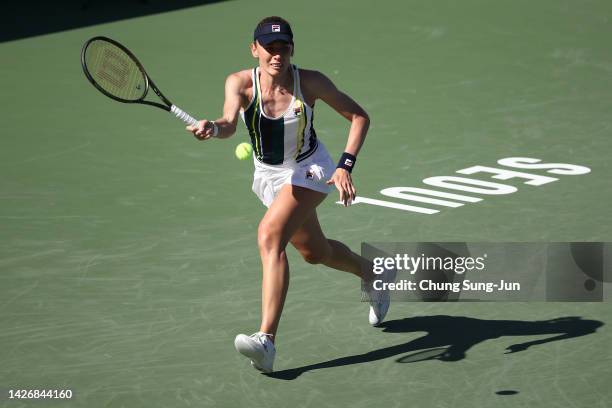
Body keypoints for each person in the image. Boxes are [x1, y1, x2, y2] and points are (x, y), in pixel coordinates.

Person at [186, 16, 392, 373]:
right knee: (316, 252)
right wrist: (212, 127)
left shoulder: (310, 82)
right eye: (269, 48)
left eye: (284, 48)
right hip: (269, 175)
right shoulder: (239, 83)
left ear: (291, 49)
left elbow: (359, 117)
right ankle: (373, 274)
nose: (277, 55)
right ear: (255, 49)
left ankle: (266, 341)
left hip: (311, 169)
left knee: (269, 236)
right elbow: (229, 124)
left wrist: (345, 166)